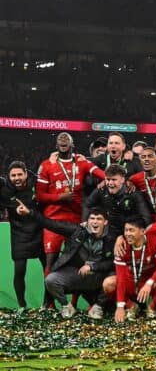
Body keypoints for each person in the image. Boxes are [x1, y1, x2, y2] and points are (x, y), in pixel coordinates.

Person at [16, 203, 116, 319]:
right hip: (78, 275)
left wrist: (92, 267)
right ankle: (67, 306)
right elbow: (51, 224)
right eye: (92, 218)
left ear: (105, 222)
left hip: (99, 277)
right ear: (87, 220)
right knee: (51, 280)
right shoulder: (77, 230)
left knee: (114, 278)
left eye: (99, 219)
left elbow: (113, 263)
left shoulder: (112, 237)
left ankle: (98, 307)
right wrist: (30, 213)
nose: (95, 222)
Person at [36, 132, 106, 293]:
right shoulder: (47, 165)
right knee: (50, 262)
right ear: (56, 146)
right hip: (53, 220)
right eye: (59, 140)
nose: (62, 140)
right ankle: (49, 303)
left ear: (72, 144)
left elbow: (102, 174)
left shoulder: (82, 162)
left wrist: (104, 181)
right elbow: (40, 196)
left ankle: (74, 301)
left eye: (66, 139)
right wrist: (60, 197)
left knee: (79, 261)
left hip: (76, 220)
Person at [104, 216, 156, 322]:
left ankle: (152, 307)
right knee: (108, 283)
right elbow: (121, 278)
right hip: (130, 283)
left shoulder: (154, 241)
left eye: (132, 230)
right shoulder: (121, 246)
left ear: (142, 231)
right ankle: (132, 307)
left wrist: (149, 283)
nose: (128, 234)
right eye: (126, 230)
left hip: (148, 283)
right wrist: (120, 306)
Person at [0, 161, 47, 310]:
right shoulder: (4, 190)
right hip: (19, 234)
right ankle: (22, 305)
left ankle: (47, 303)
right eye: (13, 175)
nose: (17, 178)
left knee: (48, 268)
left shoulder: (37, 183)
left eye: (20, 174)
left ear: (26, 173)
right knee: (19, 271)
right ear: (8, 177)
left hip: (39, 231)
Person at [83, 164, 152, 234]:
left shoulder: (134, 194)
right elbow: (87, 205)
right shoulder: (101, 189)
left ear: (122, 180)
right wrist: (85, 222)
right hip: (107, 232)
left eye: (114, 180)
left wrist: (131, 231)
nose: (110, 183)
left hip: (127, 233)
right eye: (108, 179)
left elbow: (146, 218)